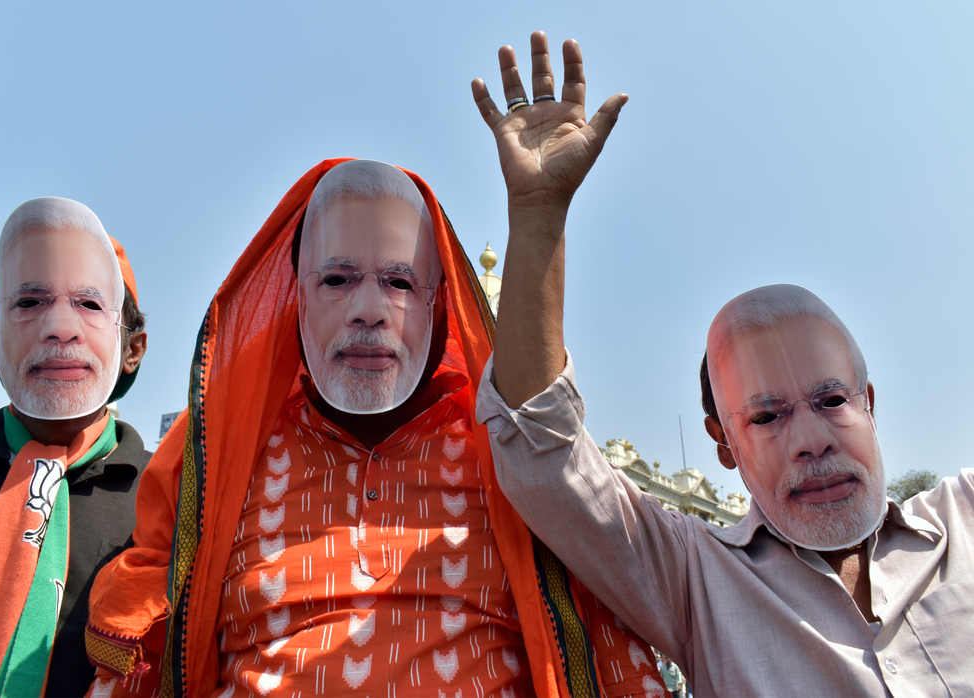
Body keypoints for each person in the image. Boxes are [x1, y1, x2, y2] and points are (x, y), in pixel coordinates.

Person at [471, 32, 974, 698]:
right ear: (724, 445)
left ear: (870, 404)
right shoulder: (695, 578)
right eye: (766, 416)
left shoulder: (964, 518)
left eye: (831, 401)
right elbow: (539, 449)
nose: (811, 440)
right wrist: (538, 217)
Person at [84, 157, 664, 697]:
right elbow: (143, 640)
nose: (369, 308)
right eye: (337, 280)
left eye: (400, 282)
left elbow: (607, 631)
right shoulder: (216, 454)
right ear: (298, 299)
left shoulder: (507, 453)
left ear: (438, 302)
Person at [0, 197, 150, 698]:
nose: (59, 328)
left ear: (132, 348)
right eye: (29, 303)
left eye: (90, 304)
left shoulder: (174, 498)